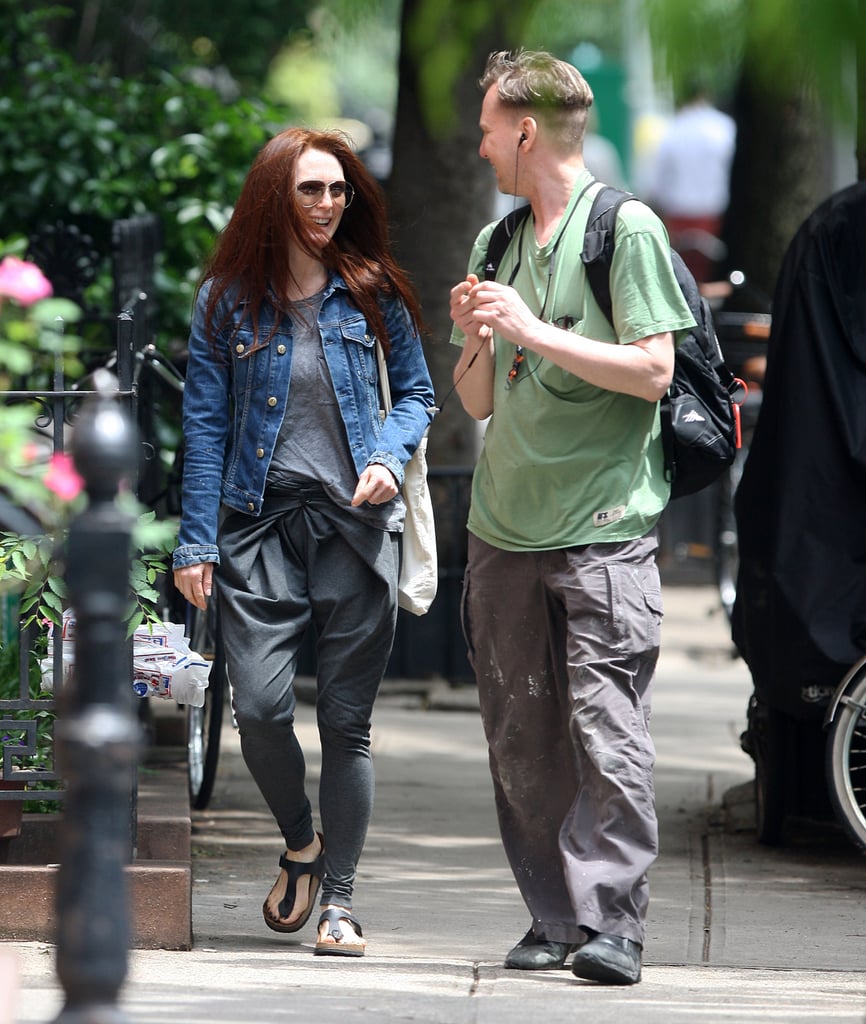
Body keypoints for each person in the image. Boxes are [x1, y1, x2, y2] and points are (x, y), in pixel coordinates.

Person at [449, 50, 695, 986]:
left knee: (606, 729)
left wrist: (533, 330)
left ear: (524, 129)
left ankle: (616, 924)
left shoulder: (623, 228)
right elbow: (476, 402)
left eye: (485, 131)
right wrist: (477, 333)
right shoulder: (496, 242)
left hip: (603, 527)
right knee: (520, 735)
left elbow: (654, 370)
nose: (478, 149)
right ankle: (553, 917)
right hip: (502, 528)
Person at [172, 126, 435, 957]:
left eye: (338, 191)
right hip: (260, 527)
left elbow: (419, 395)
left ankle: (342, 904)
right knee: (257, 707)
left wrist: (389, 461)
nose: (328, 205)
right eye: (311, 190)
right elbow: (205, 426)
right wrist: (195, 544)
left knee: (348, 725)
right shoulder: (226, 301)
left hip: (356, 528)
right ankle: (301, 843)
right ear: (272, 196)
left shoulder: (373, 290)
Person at [645, 82, 736, 284]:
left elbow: (656, 185)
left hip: (679, 218)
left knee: (683, 278)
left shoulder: (671, 130)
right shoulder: (725, 128)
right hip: (717, 215)